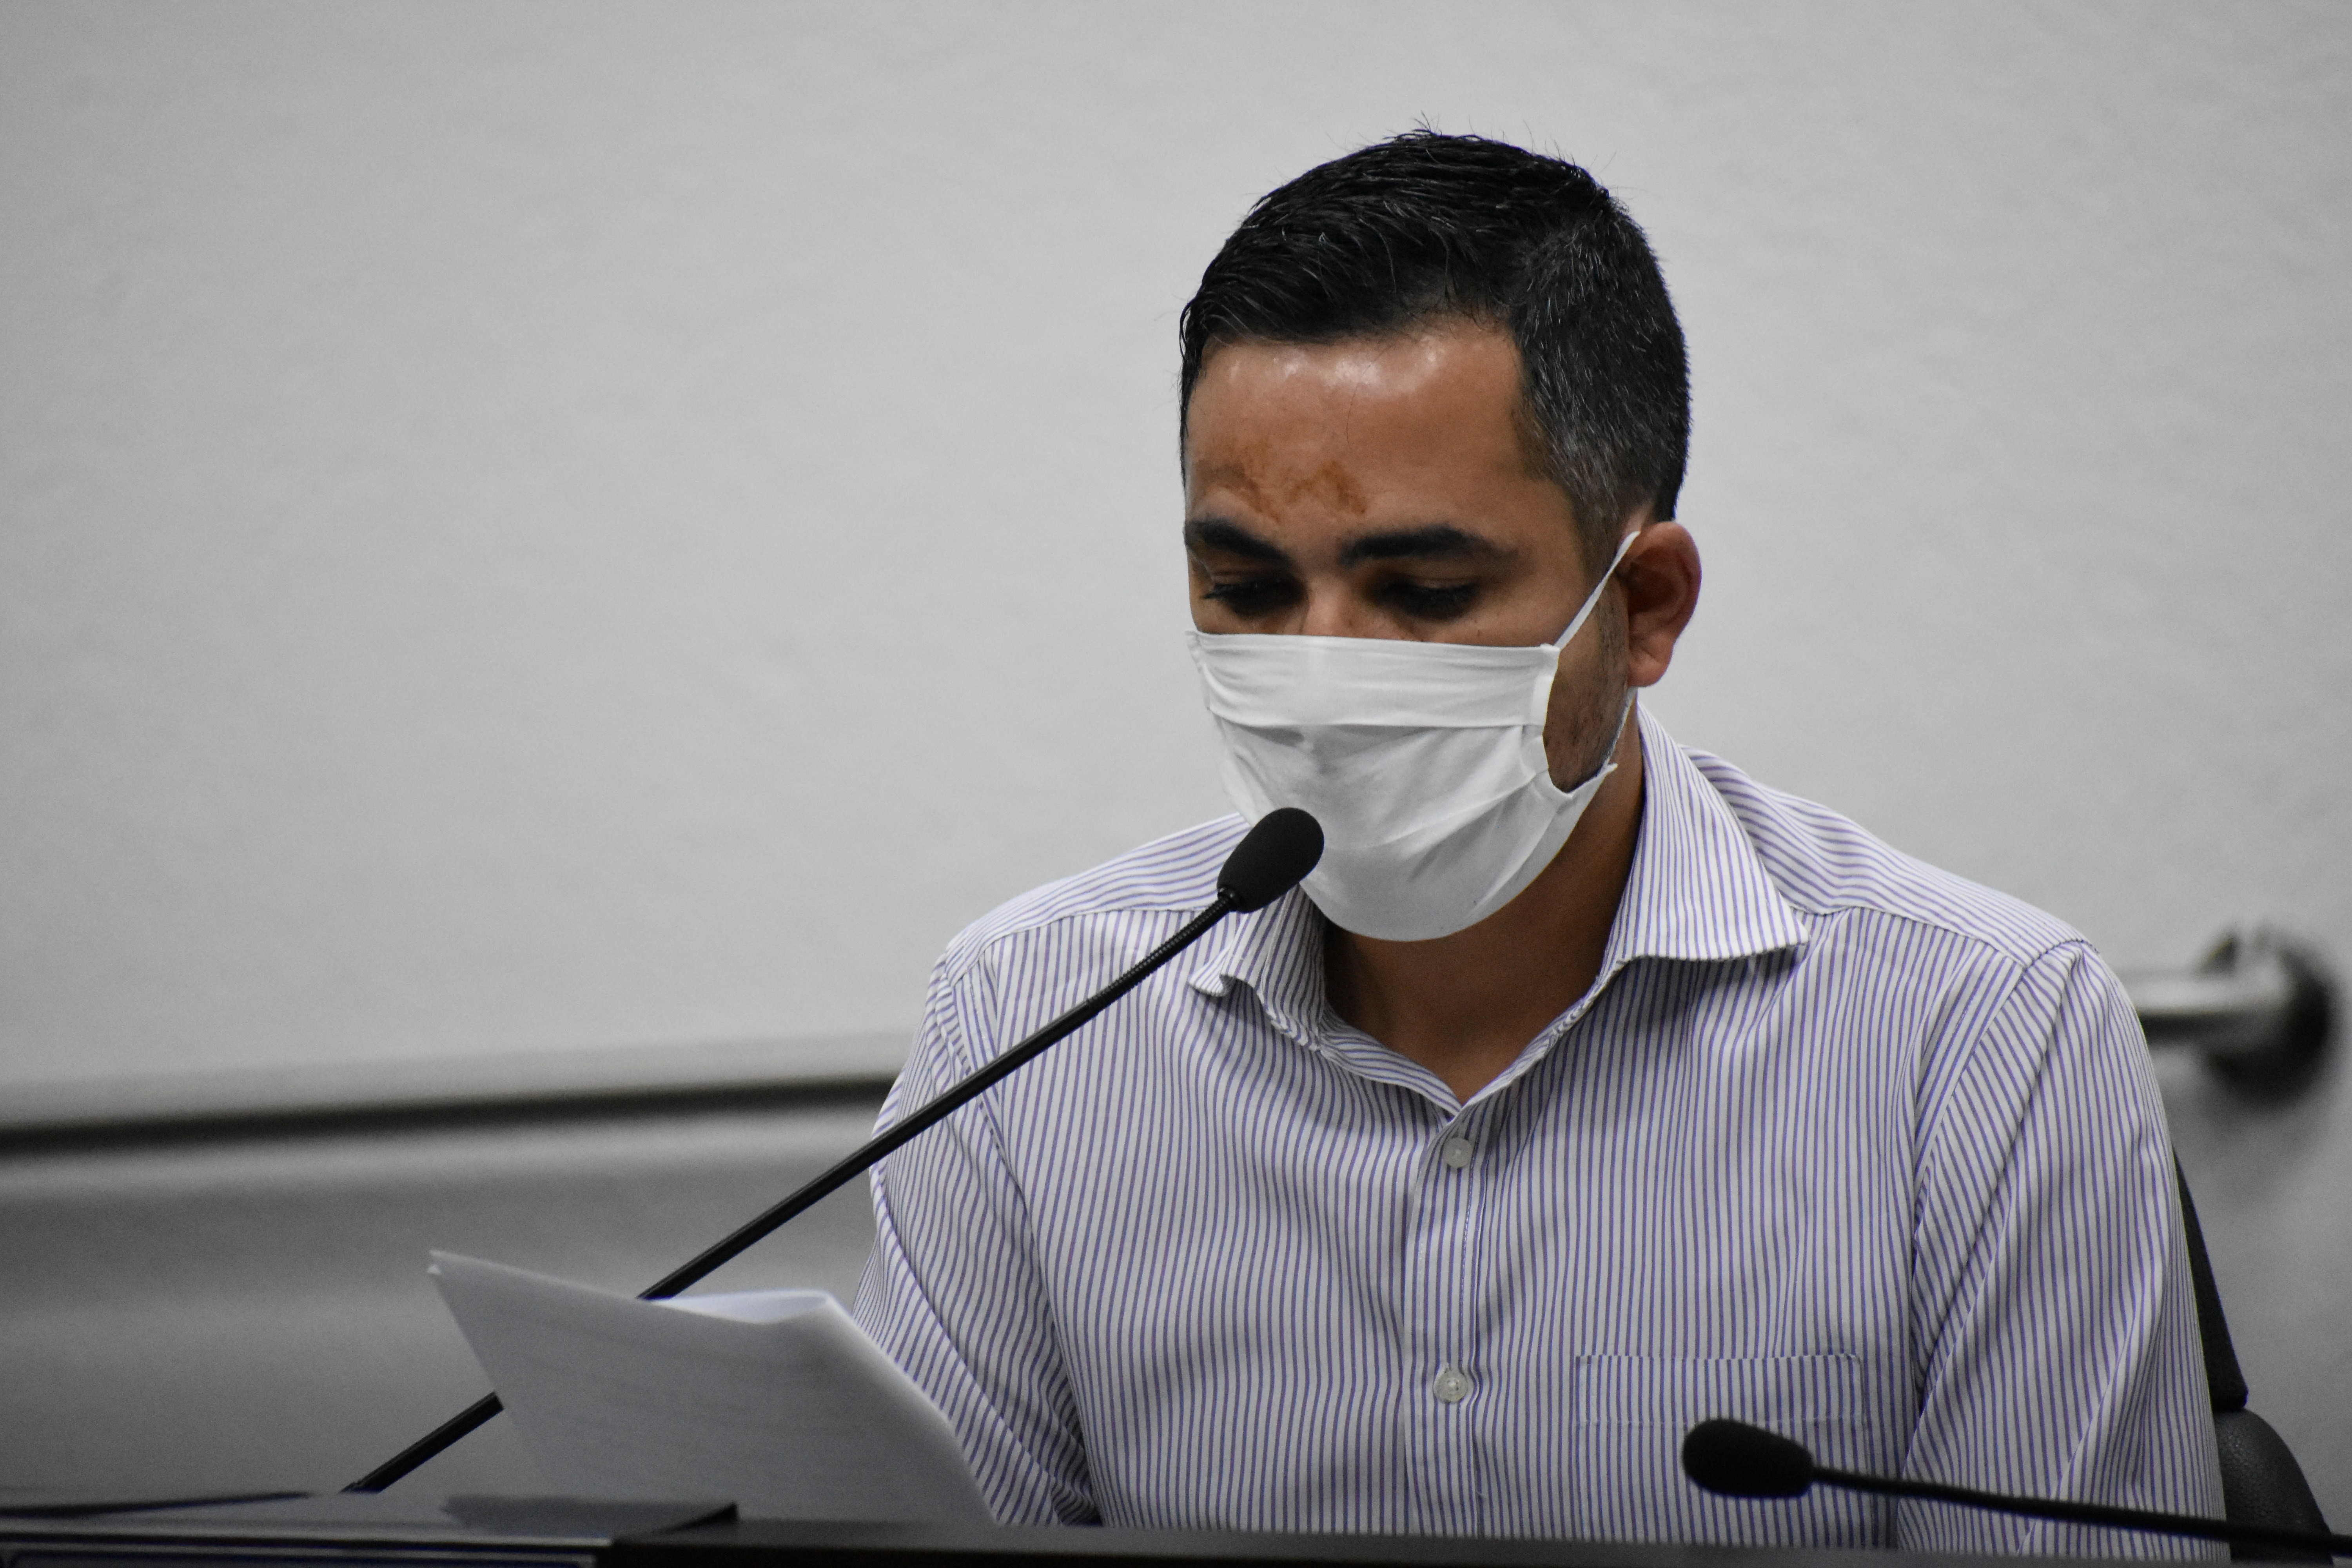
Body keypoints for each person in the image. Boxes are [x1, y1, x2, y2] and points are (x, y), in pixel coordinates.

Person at [853, 131, 2222, 1551]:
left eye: (1426, 591)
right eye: (1248, 591)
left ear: (1644, 606)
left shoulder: (1985, 1037)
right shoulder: (1027, 1025)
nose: (1321, 681)